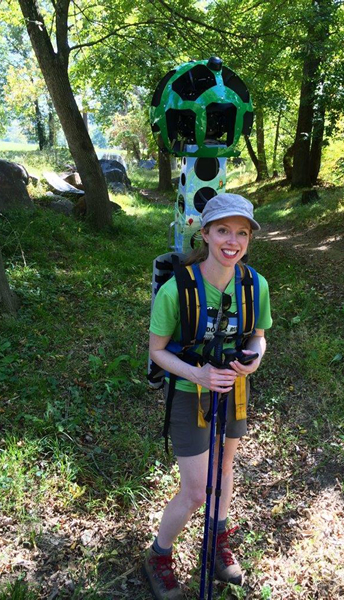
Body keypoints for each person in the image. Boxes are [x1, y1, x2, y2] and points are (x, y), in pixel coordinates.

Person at [144, 193, 272, 600]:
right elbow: (157, 350)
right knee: (197, 490)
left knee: (225, 470)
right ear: (206, 233)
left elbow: (259, 336)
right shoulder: (176, 290)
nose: (231, 241)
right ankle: (158, 556)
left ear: (249, 238)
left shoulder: (254, 284)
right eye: (222, 231)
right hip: (188, 391)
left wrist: (253, 361)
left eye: (241, 233)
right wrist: (198, 373)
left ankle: (215, 544)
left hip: (233, 388)